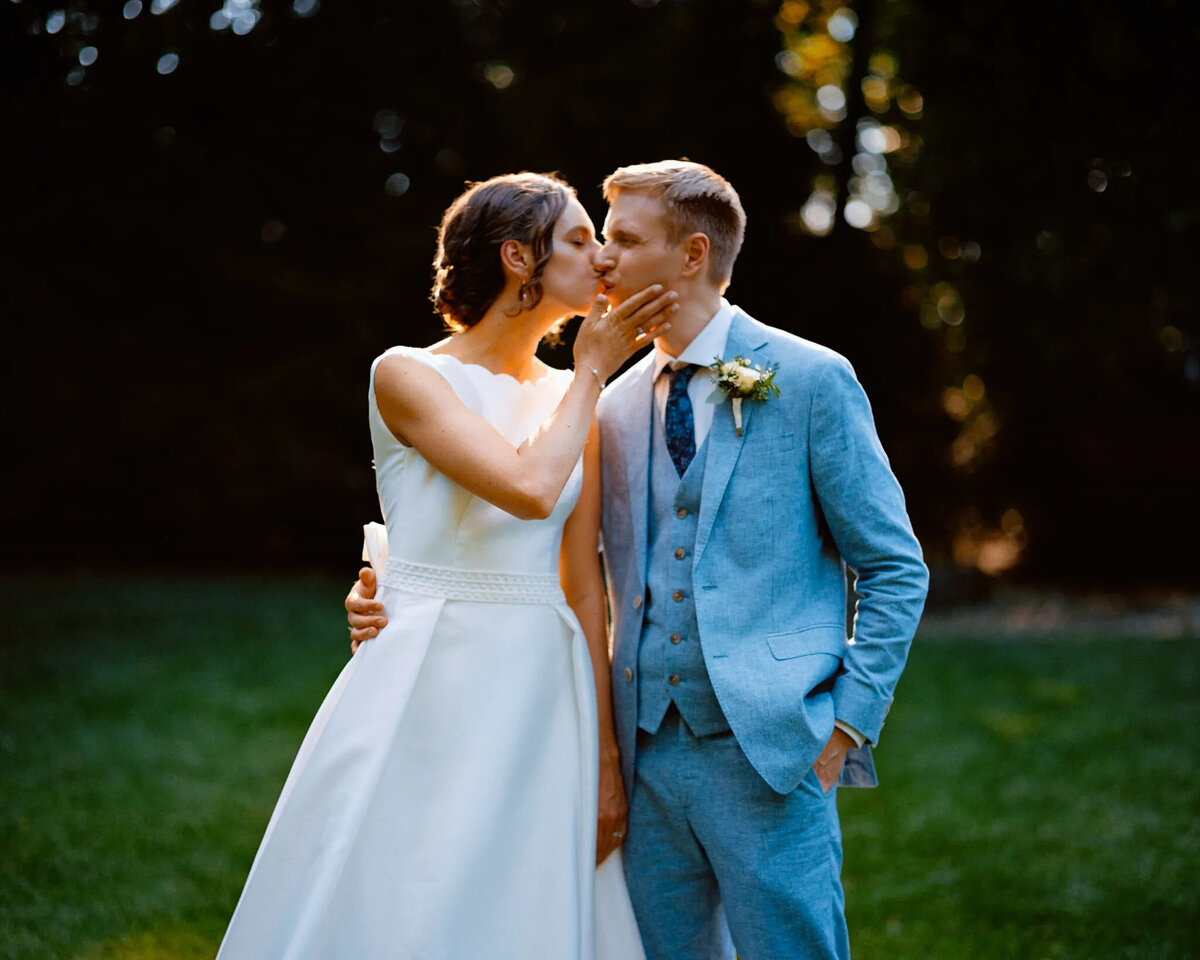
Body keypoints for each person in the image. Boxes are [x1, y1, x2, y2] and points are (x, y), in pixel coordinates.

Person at [349, 160, 929, 960]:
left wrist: (846, 724)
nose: (605, 260)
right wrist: (388, 585)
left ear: (692, 255)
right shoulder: (603, 404)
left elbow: (895, 566)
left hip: (772, 749)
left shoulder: (809, 379)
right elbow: (540, 545)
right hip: (639, 750)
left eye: (620, 238)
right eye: (593, 239)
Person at [217, 172, 673, 959]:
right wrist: (596, 371)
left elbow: (583, 582)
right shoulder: (408, 375)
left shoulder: (574, 399)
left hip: (542, 687)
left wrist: (604, 756)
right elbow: (529, 490)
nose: (599, 255)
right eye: (575, 239)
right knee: (408, 888)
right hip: (427, 670)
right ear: (517, 257)